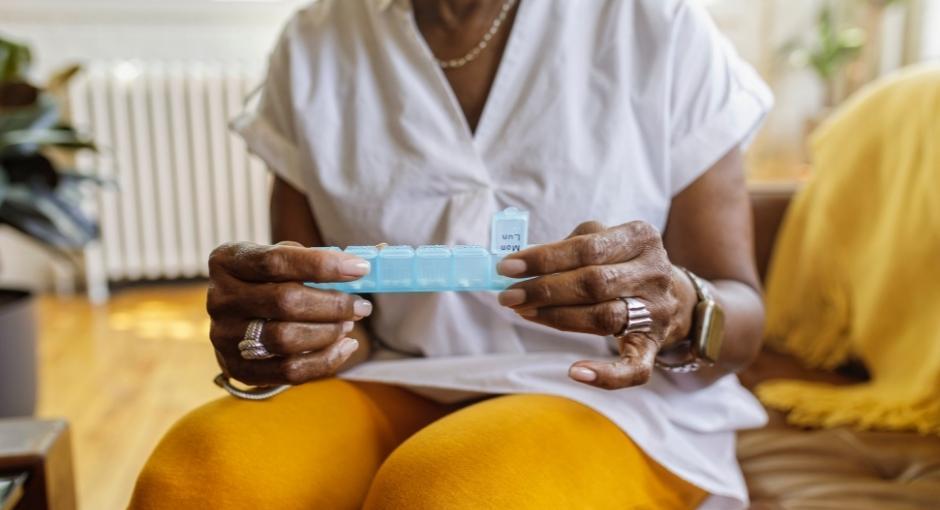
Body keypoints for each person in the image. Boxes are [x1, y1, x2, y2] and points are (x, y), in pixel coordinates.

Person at [130, 0, 772, 508]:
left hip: (614, 401)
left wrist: (681, 307)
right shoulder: (314, 44)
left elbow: (742, 313)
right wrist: (281, 329)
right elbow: (339, 327)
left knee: (455, 491)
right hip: (393, 380)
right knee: (198, 477)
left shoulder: (657, 25)